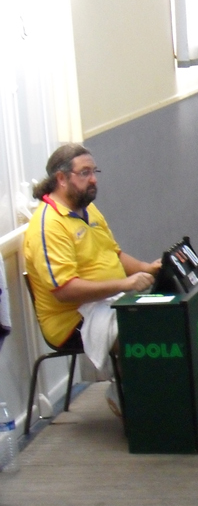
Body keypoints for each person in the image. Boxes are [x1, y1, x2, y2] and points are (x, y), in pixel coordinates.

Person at [23, 143, 160, 415]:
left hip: (108, 301)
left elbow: (113, 254)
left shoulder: (88, 209)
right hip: (72, 319)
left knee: (165, 318)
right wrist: (124, 284)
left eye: (94, 171)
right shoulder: (48, 226)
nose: (93, 179)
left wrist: (147, 268)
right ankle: (132, 404)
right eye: (84, 172)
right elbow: (65, 290)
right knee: (142, 335)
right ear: (61, 179)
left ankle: (146, 397)